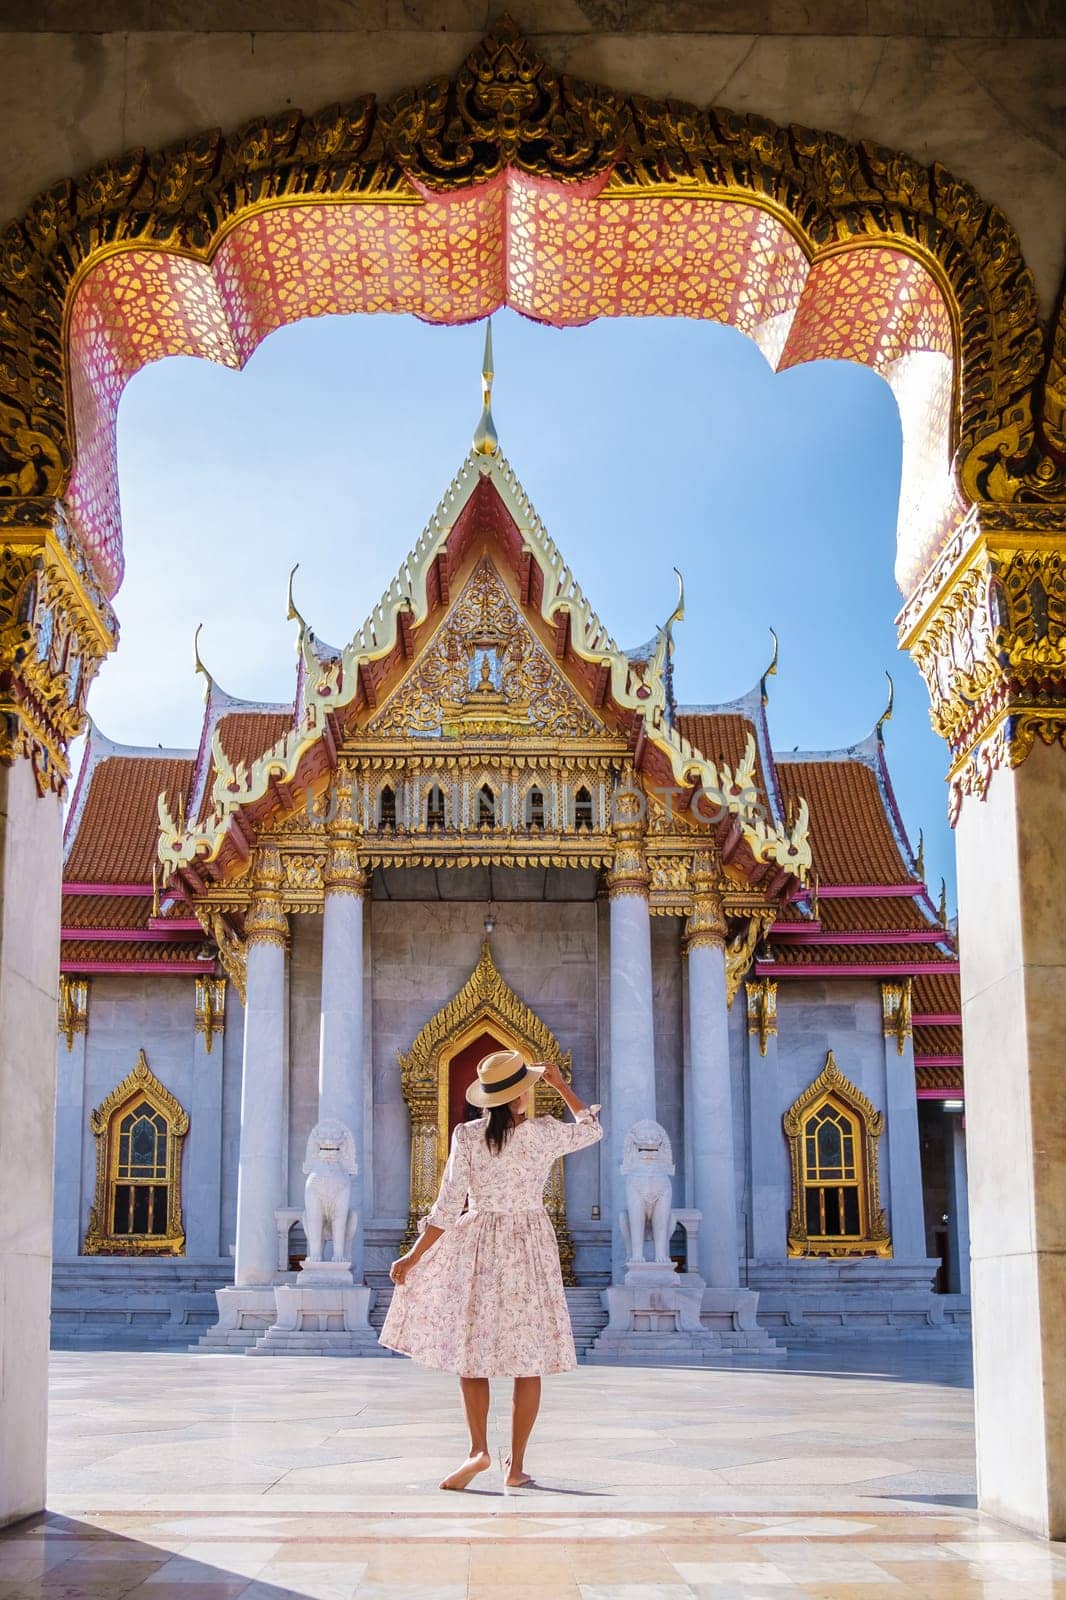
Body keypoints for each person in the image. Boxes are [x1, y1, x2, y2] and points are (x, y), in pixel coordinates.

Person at [378, 1048, 603, 1492]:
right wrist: (560, 1085)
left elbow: (445, 1209)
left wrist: (412, 1257)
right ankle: (515, 1467)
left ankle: (478, 1448)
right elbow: (592, 1129)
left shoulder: (465, 1136)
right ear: (521, 1096)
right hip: (530, 1245)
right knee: (529, 1358)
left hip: (479, 1241)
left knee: (472, 1350)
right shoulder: (541, 1133)